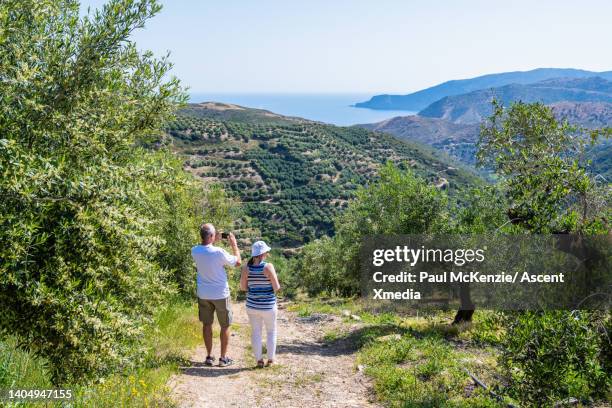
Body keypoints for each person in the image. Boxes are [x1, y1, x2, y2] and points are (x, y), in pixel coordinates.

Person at [191, 223, 241, 367]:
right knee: (225, 325)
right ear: (212, 236)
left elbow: (206, 249)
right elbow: (237, 262)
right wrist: (234, 245)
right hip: (220, 294)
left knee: (207, 324)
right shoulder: (219, 252)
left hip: (203, 293)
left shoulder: (194, 251)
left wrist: (213, 240)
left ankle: (208, 356)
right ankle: (223, 358)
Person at [240, 240, 281, 368]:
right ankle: (270, 360)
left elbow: (243, 287)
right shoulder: (268, 267)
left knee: (256, 332)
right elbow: (277, 287)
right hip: (268, 306)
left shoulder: (246, 268)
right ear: (263, 253)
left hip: (252, 306)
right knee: (271, 331)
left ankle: (259, 360)